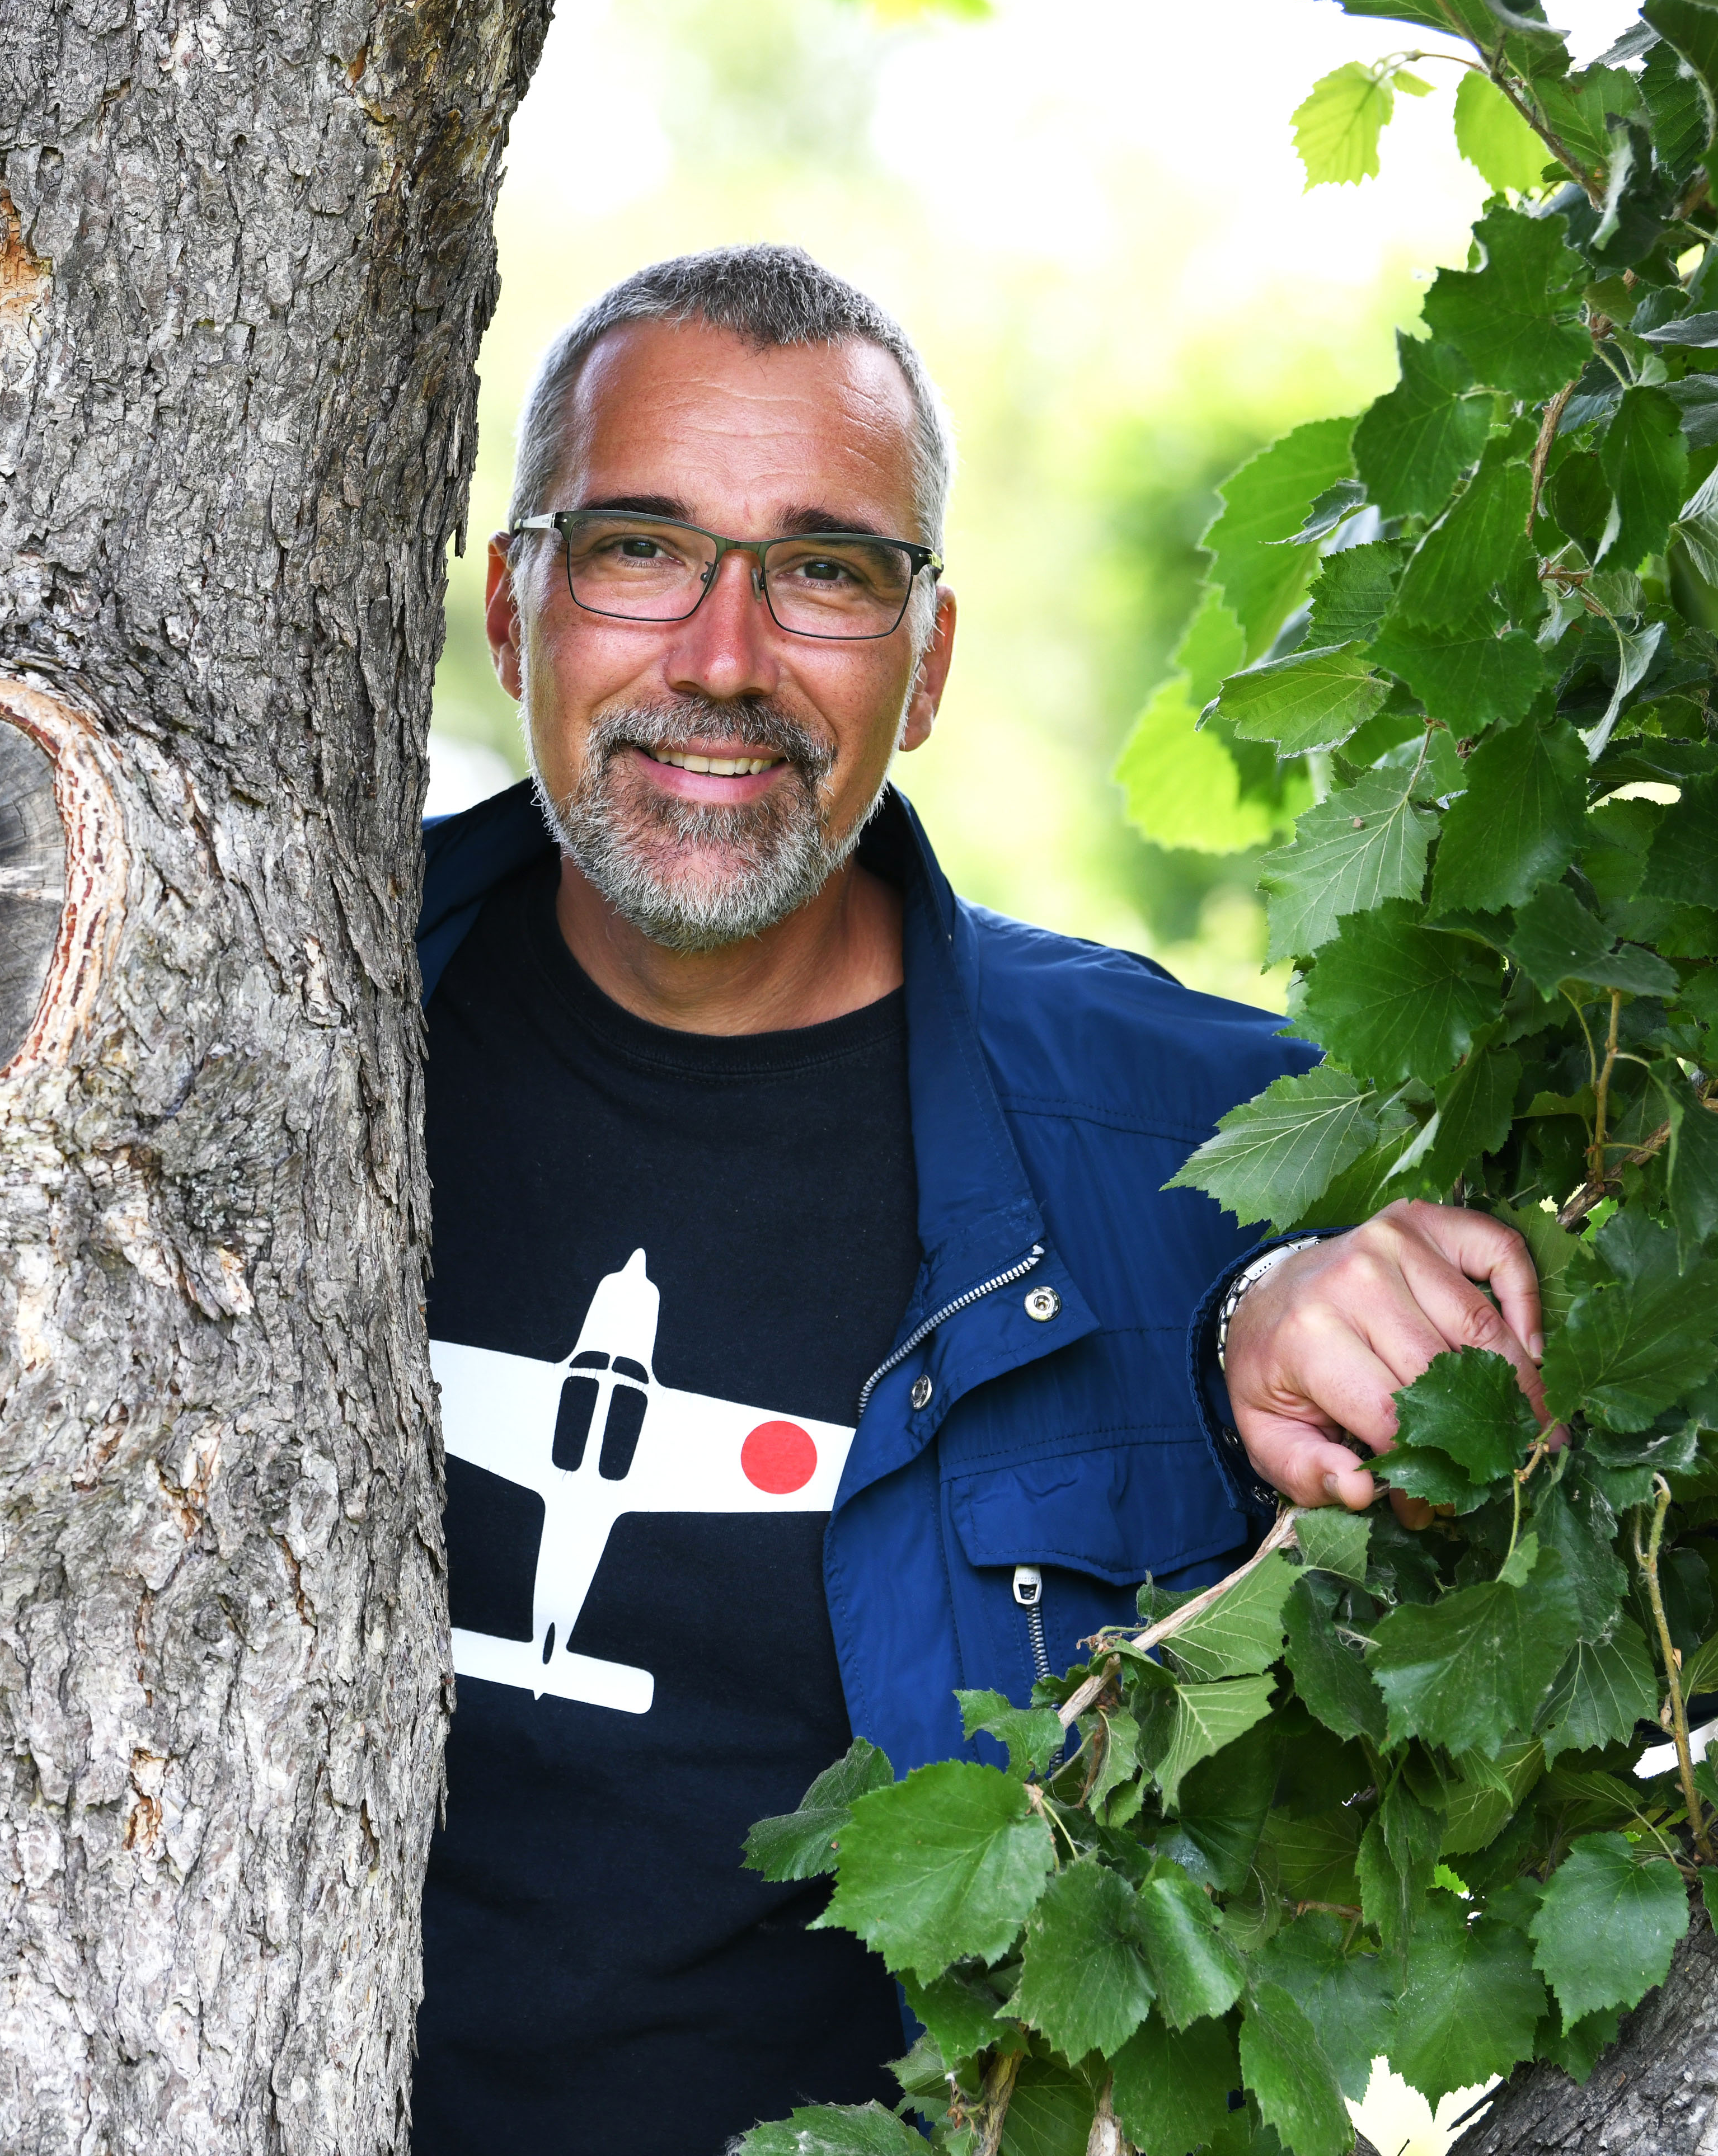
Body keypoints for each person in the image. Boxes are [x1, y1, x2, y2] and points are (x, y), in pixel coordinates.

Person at [408, 246, 1543, 2154]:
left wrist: (1301, 1341)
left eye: (828, 570)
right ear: (517, 607)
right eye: (639, 548)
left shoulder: (1207, 1136)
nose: (724, 656)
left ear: (927, 666)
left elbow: (1682, 1575)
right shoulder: (259, 1020)